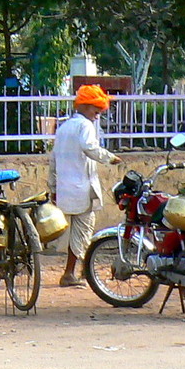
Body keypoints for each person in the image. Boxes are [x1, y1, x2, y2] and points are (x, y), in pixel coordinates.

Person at [49, 84, 122, 287]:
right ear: (85, 106)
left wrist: (53, 188)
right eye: (96, 110)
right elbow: (90, 148)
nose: (97, 115)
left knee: (72, 233)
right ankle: (70, 274)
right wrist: (110, 158)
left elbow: (53, 160)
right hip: (81, 188)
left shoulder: (64, 127)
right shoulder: (85, 126)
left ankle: (74, 271)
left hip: (65, 188)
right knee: (82, 232)